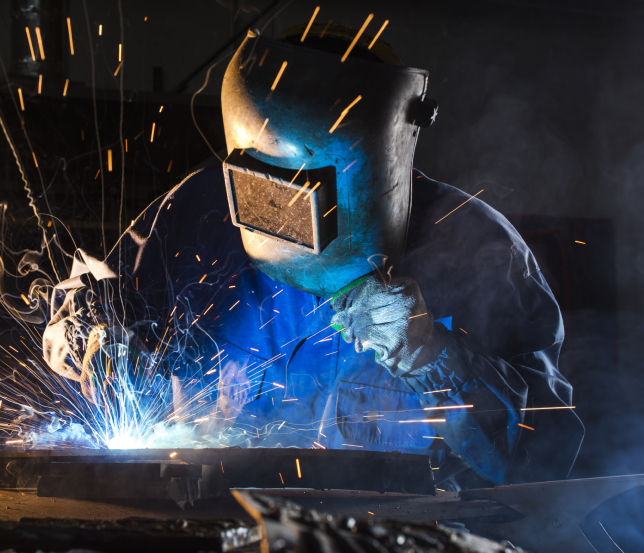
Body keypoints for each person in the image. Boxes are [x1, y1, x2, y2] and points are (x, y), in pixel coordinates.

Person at [43, 24, 584, 488]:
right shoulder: (196, 211)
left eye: (311, 185)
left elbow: (548, 456)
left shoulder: (477, 249)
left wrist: (432, 354)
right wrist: (91, 331)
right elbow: (89, 300)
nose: (287, 210)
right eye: (266, 186)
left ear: (376, 149)